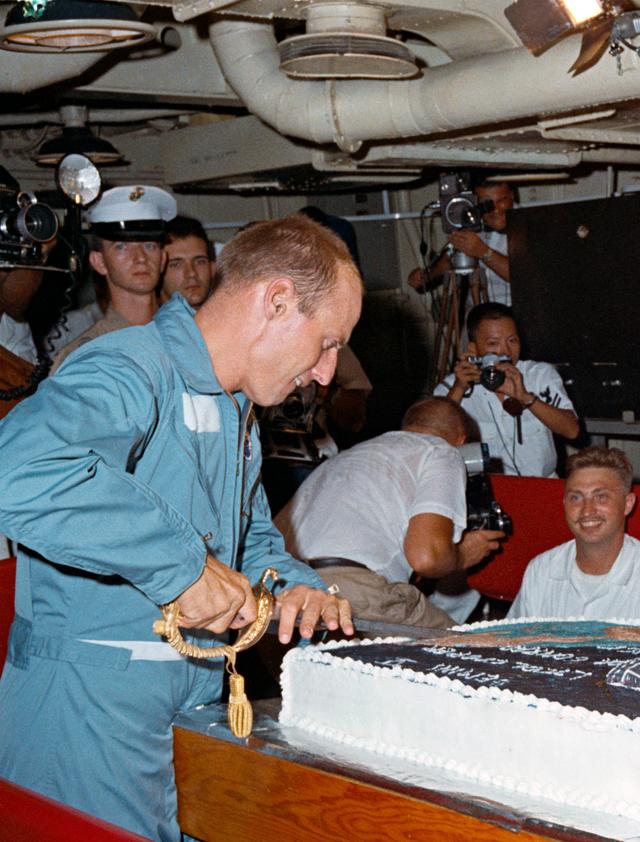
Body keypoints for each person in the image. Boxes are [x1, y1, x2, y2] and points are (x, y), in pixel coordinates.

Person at [0, 213, 360, 840]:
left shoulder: (236, 408)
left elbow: (243, 537)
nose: (328, 371)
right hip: (91, 707)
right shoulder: (130, 367)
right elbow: (20, 466)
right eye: (327, 341)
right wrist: (181, 568)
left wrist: (295, 585)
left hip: (191, 696)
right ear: (276, 301)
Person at [275, 396, 505, 628]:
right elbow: (426, 557)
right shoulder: (442, 451)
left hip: (284, 591)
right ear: (461, 440)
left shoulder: (346, 456)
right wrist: (464, 553)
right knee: (467, 653)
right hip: (351, 591)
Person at [509, 447, 640, 623]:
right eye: (576, 497)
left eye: (601, 497)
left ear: (628, 504)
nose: (587, 510)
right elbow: (511, 647)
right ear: (564, 503)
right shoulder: (541, 571)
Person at [435, 302, 579, 477]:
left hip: (540, 484)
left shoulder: (540, 375)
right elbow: (432, 441)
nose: (505, 351)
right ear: (473, 349)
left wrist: (526, 397)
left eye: (512, 341)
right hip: (487, 490)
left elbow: (572, 430)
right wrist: (459, 389)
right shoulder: (455, 384)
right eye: (493, 343)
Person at [50, 184, 177, 371]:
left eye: (149, 246)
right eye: (121, 247)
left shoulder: (189, 338)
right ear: (99, 262)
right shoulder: (85, 356)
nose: (140, 258)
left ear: (163, 258)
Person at [426, 180, 515, 306]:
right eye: (487, 203)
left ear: (512, 195)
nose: (496, 210)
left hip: (516, 314)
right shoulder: (473, 220)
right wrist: (426, 276)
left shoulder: (530, 222)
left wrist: (482, 251)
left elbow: (521, 274)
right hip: (478, 314)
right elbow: (449, 260)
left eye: (502, 200)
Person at [160, 214, 215, 307]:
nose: (192, 273)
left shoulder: (232, 318)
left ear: (212, 268)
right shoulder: (143, 320)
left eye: (200, 262)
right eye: (176, 264)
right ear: (158, 271)